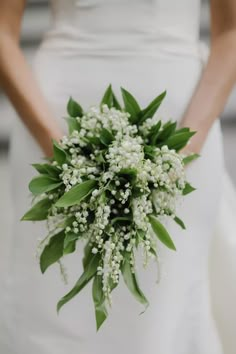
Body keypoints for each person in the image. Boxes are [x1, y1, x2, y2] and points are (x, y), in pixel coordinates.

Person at [0, 0, 235, 353]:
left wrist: (178, 155)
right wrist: (59, 152)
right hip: (51, 123)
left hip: (183, 123)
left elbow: (230, 31)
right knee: (50, 312)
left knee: (162, 317)